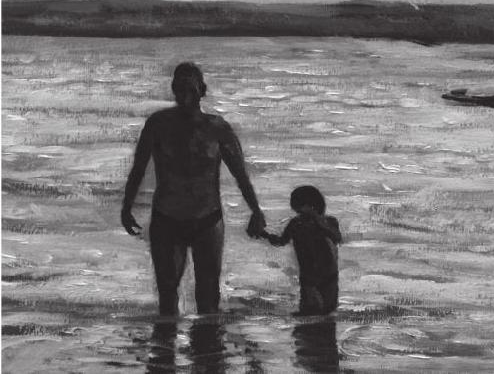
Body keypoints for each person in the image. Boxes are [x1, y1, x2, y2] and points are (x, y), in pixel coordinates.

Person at [121, 62, 266, 316]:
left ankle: (207, 342)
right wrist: (126, 207)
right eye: (180, 89)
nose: (185, 96)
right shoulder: (158, 124)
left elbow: (240, 174)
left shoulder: (218, 128)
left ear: (202, 91)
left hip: (208, 221)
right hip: (167, 220)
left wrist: (255, 210)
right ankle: (166, 341)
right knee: (167, 299)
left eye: (191, 90)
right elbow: (138, 168)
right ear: (173, 90)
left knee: (208, 300)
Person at [263, 186, 341, 315]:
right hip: (308, 275)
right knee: (310, 310)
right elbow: (281, 241)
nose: (302, 210)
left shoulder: (329, 221)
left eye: (306, 206)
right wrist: (265, 235)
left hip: (328, 274)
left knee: (327, 310)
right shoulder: (296, 223)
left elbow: (337, 237)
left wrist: (318, 220)